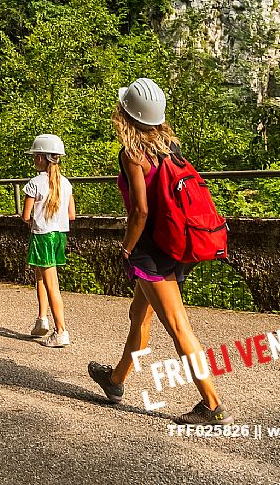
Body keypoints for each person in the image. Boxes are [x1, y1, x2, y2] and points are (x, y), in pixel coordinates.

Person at [87, 78, 233, 425]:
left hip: (151, 251)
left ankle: (212, 405)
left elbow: (139, 211)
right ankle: (116, 380)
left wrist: (126, 248)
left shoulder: (132, 155)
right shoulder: (169, 146)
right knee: (139, 315)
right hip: (177, 242)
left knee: (180, 328)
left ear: (126, 114)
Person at [22, 134, 76, 348]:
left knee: (51, 284)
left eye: (36, 156)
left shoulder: (34, 184)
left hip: (42, 236)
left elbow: (26, 216)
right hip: (59, 235)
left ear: (43, 158)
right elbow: (72, 215)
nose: (34, 159)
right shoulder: (66, 183)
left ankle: (61, 330)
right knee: (40, 277)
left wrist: (37, 218)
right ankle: (41, 320)